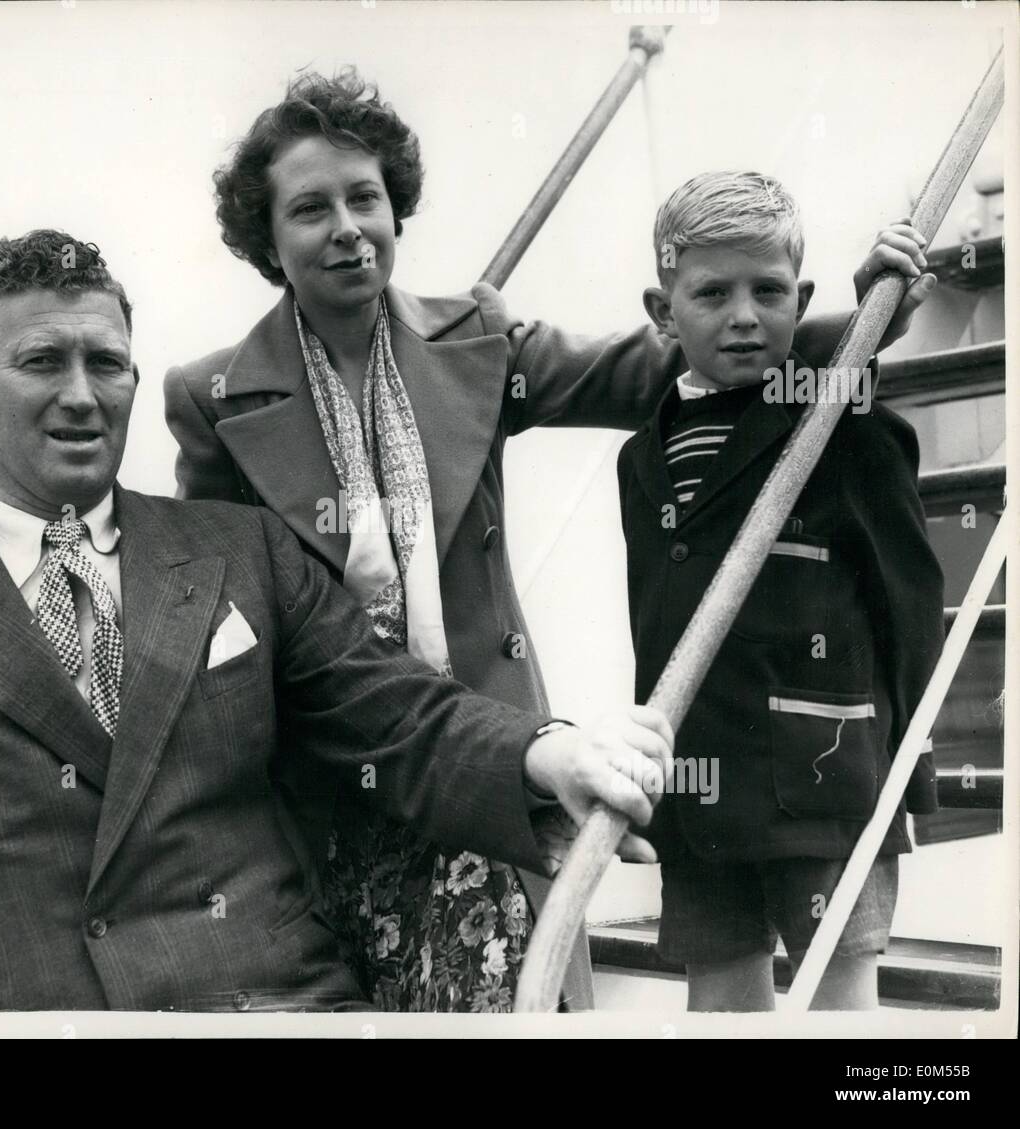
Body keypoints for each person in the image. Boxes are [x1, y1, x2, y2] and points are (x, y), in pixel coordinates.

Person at [163, 69, 935, 1011]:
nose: (348, 228)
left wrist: (866, 321)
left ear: (395, 208)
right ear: (267, 236)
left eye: (365, 198)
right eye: (310, 208)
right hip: (327, 786)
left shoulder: (477, 340)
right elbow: (219, 617)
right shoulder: (213, 397)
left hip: (486, 769)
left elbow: (658, 360)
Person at [0, 229, 675, 1013]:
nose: (81, 394)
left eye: (106, 363)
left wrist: (550, 753)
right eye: (41, 361)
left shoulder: (242, 551)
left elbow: (401, 717)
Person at [616, 172, 944, 1011]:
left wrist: (911, 764)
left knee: (840, 1001)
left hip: (823, 781)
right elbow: (654, 625)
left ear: (801, 301)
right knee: (720, 1002)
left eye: (768, 291)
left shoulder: (839, 421)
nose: (743, 316)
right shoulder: (641, 458)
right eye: (712, 293)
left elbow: (908, 598)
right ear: (662, 311)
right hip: (699, 789)